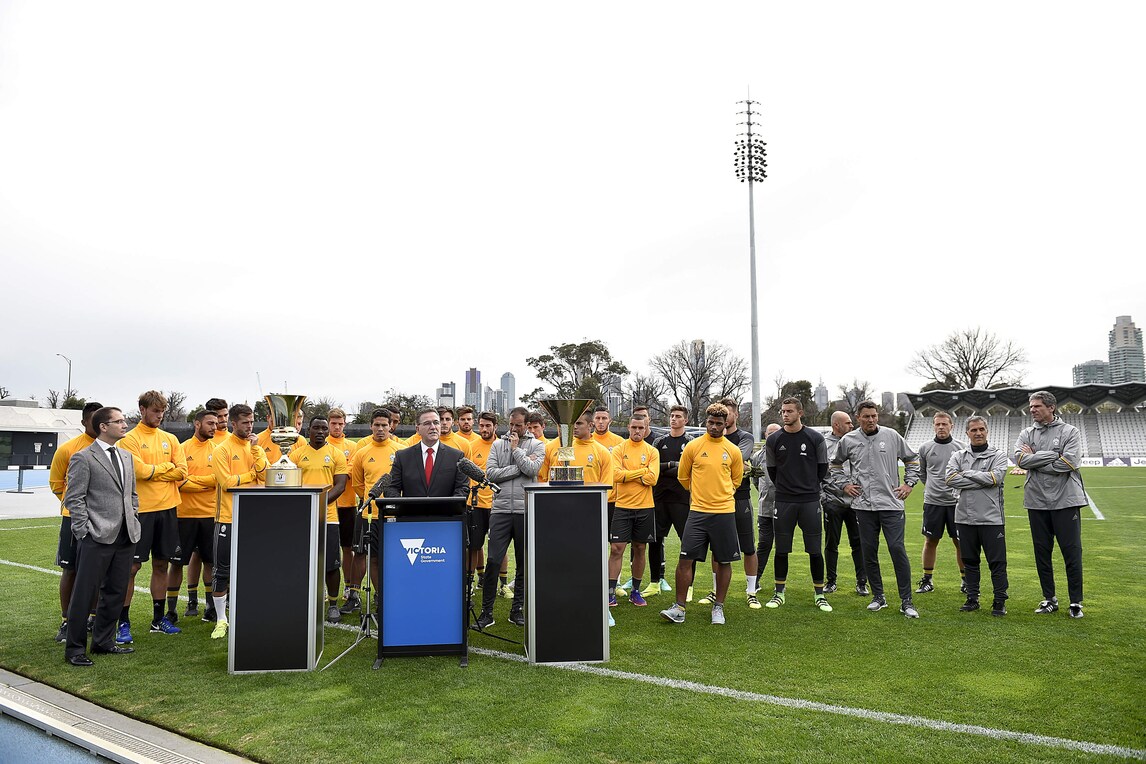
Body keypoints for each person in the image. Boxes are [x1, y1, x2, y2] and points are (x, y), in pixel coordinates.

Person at [63, 407, 140, 666]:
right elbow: (74, 498)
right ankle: (75, 649)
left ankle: (103, 642)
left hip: (126, 535)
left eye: (124, 420)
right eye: (119, 421)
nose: (125, 424)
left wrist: (133, 516)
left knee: (116, 592)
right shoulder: (83, 458)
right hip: (96, 536)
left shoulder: (126, 456)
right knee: (84, 594)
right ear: (103, 427)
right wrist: (84, 531)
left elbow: (132, 494)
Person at [830, 400, 922, 618]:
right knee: (868, 551)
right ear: (858, 418)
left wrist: (909, 484)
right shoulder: (848, 440)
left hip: (891, 504)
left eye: (874, 416)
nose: (871, 420)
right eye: (866, 416)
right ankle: (878, 597)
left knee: (897, 549)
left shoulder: (892, 436)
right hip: (863, 506)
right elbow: (834, 464)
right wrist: (844, 485)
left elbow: (912, 460)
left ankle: (906, 601)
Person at [659, 403, 744, 626]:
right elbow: (683, 477)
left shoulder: (732, 450)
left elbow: (736, 480)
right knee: (685, 559)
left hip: (724, 513)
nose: (714, 427)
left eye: (718, 423)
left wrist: (720, 495)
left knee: (723, 560)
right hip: (697, 512)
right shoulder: (693, 447)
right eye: (711, 422)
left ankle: (718, 607)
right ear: (705, 422)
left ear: (726, 424)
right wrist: (699, 494)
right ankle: (679, 608)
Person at [119, 390, 187, 640]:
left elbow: (182, 472)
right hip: (141, 512)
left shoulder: (170, 438)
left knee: (161, 565)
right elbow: (139, 471)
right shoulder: (129, 439)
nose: (160, 416)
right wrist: (166, 468)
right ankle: (122, 622)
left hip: (168, 509)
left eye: (162, 412)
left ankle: (158, 620)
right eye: (155, 411)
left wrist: (156, 471)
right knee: (132, 567)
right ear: (142, 410)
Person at [1015, 390, 1086, 618]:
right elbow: (1020, 459)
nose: (1032, 410)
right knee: (1042, 553)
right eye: (1031, 406)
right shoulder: (1026, 433)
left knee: (1071, 552)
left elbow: (1069, 462)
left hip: (1066, 501)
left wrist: (1035, 459)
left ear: (1051, 407)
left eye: (1037, 406)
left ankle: (1075, 602)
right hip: (1036, 501)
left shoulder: (1070, 431)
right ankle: (1049, 599)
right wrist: (1053, 455)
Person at [477, 407, 545, 629]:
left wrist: (516, 451)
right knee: (493, 560)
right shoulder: (498, 444)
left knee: (524, 563)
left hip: (526, 511)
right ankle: (486, 612)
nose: (514, 428)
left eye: (518, 425)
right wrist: (519, 467)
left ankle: (517, 610)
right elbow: (491, 474)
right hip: (500, 510)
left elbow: (532, 469)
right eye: (511, 424)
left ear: (527, 425)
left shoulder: (537, 445)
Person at [762, 397, 831, 612]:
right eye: (783, 411)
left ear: (800, 413)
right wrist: (787, 487)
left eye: (789, 411)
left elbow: (822, 468)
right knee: (781, 550)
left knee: (814, 550)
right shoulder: (774, 440)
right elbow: (772, 470)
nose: (785, 414)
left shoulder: (815, 438)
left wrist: (808, 487)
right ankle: (779, 593)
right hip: (784, 501)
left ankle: (820, 595)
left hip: (809, 501)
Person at [210, 404, 269, 640]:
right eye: (245, 422)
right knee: (222, 571)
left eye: (252, 422)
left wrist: (256, 453)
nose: (250, 426)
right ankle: (221, 620)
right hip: (227, 518)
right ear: (233, 423)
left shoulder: (256, 448)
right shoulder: (222, 450)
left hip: (253, 518)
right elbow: (227, 483)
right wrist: (250, 476)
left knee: (252, 569)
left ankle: (246, 613)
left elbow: (266, 477)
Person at [696, 398, 759, 609]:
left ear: (735, 415)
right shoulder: (707, 440)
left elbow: (738, 459)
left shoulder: (744, 437)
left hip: (739, 497)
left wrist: (718, 462)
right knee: (717, 548)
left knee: (748, 546)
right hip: (715, 501)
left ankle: (752, 591)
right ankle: (715, 590)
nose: (725, 417)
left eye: (729, 412)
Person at [49, 400, 102, 643]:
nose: (99, 424)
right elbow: (56, 484)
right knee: (70, 570)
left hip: (102, 520)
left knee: (97, 571)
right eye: (94, 420)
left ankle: (93, 618)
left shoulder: (112, 448)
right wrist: (76, 506)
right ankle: (67, 620)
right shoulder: (68, 449)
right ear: (83, 422)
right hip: (73, 520)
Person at [946, 416, 1009, 616]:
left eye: (981, 429)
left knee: (997, 562)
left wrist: (966, 473)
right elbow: (950, 479)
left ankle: (999, 600)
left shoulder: (998, 455)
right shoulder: (958, 455)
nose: (978, 433)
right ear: (967, 433)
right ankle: (972, 598)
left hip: (991, 518)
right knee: (970, 560)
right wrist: (982, 479)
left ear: (987, 431)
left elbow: (995, 478)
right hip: (964, 518)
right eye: (974, 430)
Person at [289, 416, 349, 622]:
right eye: (316, 428)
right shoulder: (296, 454)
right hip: (302, 516)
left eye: (324, 428)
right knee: (301, 562)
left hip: (328, 517)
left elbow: (340, 485)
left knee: (331, 564)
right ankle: (303, 602)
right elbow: (290, 484)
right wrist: (306, 505)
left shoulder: (336, 454)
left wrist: (319, 503)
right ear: (309, 430)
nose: (321, 431)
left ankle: (332, 605)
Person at [348, 408, 405, 593]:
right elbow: (358, 484)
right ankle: (374, 597)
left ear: (391, 426)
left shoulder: (401, 451)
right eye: (377, 425)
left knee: (394, 556)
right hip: (369, 513)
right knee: (370, 556)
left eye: (384, 425)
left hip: (395, 513)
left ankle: (392, 595)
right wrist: (370, 499)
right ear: (371, 426)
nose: (380, 429)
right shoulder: (362, 452)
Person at [170, 409, 219, 623]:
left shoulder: (218, 450)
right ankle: (171, 611)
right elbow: (179, 482)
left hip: (210, 515)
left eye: (216, 423)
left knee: (210, 562)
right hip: (184, 515)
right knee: (176, 563)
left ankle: (210, 607)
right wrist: (206, 483)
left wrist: (195, 482)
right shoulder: (182, 449)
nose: (214, 427)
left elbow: (219, 479)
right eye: (210, 423)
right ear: (197, 424)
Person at [608, 417, 660, 613]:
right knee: (616, 549)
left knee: (640, 548)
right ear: (628, 427)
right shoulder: (619, 449)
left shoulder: (652, 451)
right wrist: (641, 472)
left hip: (645, 507)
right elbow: (616, 475)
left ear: (646, 429)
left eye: (641, 428)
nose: (637, 431)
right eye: (634, 427)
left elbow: (653, 479)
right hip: (622, 506)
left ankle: (635, 591)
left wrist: (628, 474)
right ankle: (610, 592)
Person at [646, 405, 695, 599]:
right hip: (659, 498)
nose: (674, 419)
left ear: (686, 420)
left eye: (678, 416)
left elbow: (689, 470)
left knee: (688, 543)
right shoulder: (660, 441)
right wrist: (673, 465)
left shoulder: (690, 442)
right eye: (672, 416)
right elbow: (653, 468)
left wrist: (670, 469)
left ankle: (689, 587)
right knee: (655, 541)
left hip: (682, 499)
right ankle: (654, 582)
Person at [915, 412, 966, 595]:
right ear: (933, 426)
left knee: (960, 542)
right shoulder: (925, 448)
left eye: (944, 424)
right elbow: (922, 473)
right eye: (938, 424)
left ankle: (966, 580)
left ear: (951, 426)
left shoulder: (961, 448)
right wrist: (933, 488)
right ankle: (927, 580)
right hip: (933, 502)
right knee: (930, 541)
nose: (941, 427)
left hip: (956, 502)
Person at [821, 412, 867, 596]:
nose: (852, 425)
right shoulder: (823, 444)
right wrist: (824, 498)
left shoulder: (858, 441)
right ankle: (831, 581)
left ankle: (862, 582)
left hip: (856, 502)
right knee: (831, 543)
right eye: (848, 423)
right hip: (833, 501)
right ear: (837, 425)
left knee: (859, 543)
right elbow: (818, 473)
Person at [383, 407, 470, 499]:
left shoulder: (456, 457)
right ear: (418, 429)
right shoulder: (402, 457)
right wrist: (402, 505)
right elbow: (391, 488)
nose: (433, 427)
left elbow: (462, 488)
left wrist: (451, 505)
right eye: (427, 423)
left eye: (436, 423)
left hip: (446, 508)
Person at [326, 408, 361, 615]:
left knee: (348, 548)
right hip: (326, 507)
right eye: (333, 423)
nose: (337, 427)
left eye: (340, 423)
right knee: (324, 549)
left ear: (345, 424)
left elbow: (349, 472)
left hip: (347, 505)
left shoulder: (352, 446)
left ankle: (348, 586)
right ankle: (324, 588)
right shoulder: (322, 444)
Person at [464, 412, 499, 596]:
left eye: (488, 426)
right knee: (473, 546)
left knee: (498, 547)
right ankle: (469, 582)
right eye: (482, 426)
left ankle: (498, 583)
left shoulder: (502, 446)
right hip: (475, 504)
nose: (484, 429)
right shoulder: (472, 446)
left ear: (495, 426)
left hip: (498, 505)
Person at [538, 413, 614, 484]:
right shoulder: (566, 450)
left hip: (593, 494)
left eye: (579, 423)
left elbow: (607, 485)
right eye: (573, 423)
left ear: (590, 425)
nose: (574, 427)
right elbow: (553, 480)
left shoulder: (602, 452)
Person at [750, 422, 782, 588]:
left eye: (777, 433)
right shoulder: (757, 456)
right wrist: (764, 494)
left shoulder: (788, 454)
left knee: (782, 547)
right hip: (765, 509)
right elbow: (755, 480)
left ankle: (780, 584)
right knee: (764, 545)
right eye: (771, 433)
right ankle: (755, 581)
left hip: (785, 508)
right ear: (765, 436)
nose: (774, 436)